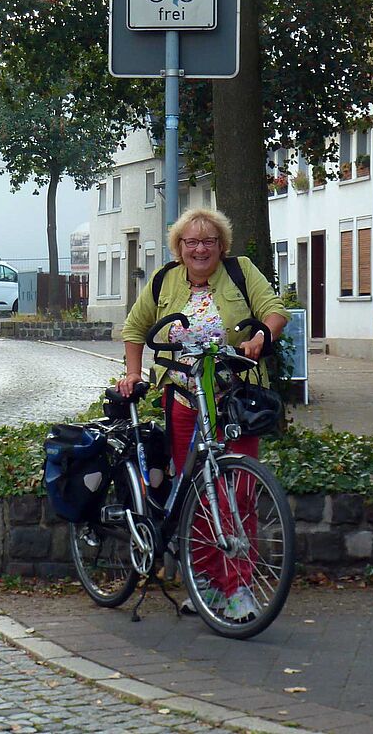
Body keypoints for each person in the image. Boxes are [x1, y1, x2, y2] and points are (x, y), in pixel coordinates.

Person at [117, 207, 289, 619]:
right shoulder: (164, 281)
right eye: (191, 242)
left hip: (232, 401)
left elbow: (275, 310)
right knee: (193, 494)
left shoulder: (241, 271)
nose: (199, 249)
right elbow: (134, 328)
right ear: (179, 248)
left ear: (221, 246)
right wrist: (133, 372)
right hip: (182, 401)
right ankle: (206, 583)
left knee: (238, 494)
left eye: (208, 241)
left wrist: (262, 335)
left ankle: (238, 588)